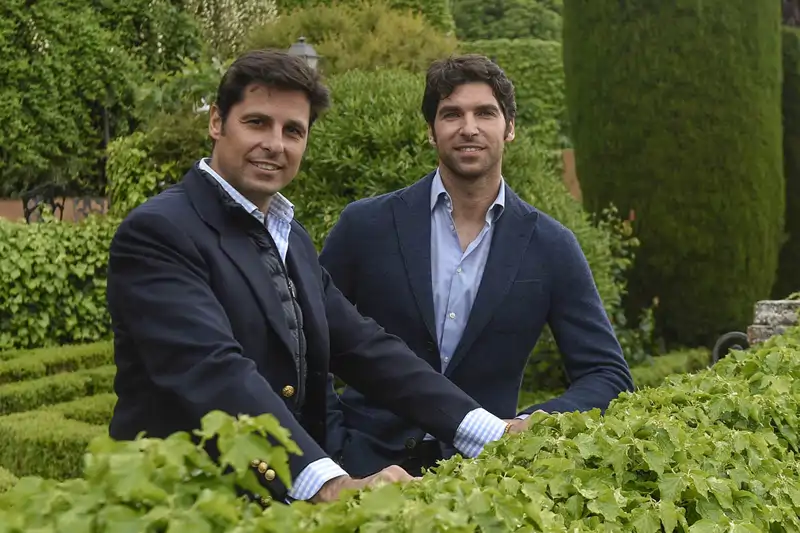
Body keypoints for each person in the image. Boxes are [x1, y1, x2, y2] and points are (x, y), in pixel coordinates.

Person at [105, 50, 523, 506]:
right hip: (182, 503)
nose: (275, 144)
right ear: (216, 122)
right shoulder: (160, 232)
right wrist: (327, 482)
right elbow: (213, 371)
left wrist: (492, 432)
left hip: (271, 505)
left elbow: (363, 347)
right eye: (257, 123)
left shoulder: (291, 238)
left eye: (293, 131)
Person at [320, 54, 634, 477]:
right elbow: (306, 344)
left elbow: (608, 375)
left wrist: (526, 427)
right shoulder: (366, 226)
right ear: (431, 131)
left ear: (509, 128)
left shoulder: (552, 246)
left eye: (485, 113)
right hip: (363, 469)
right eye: (451, 114)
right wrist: (333, 444)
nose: (469, 128)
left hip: (488, 480)